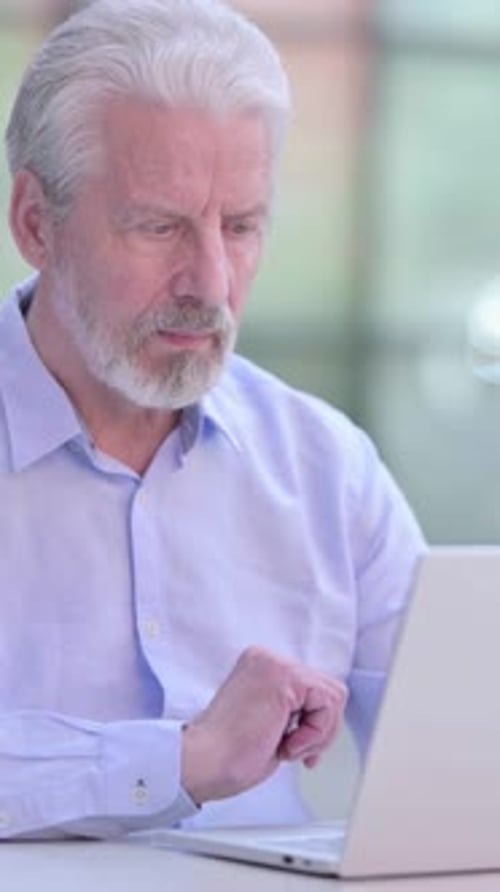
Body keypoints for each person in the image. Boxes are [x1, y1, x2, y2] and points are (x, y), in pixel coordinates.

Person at [0, 0, 425, 840]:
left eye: (240, 227)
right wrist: (183, 758)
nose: (212, 283)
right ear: (36, 225)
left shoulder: (327, 467)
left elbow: (465, 757)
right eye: (158, 227)